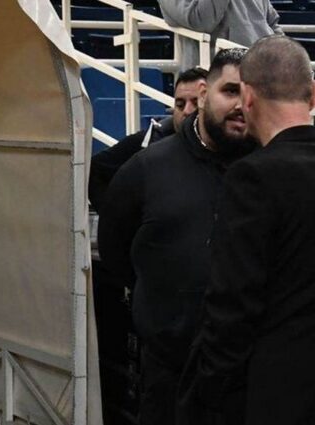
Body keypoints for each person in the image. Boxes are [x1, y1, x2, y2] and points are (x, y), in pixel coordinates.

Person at [97, 48, 255, 425]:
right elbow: (115, 249)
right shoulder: (147, 167)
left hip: (247, 375)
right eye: (229, 91)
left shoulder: (266, 169)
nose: (240, 105)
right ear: (203, 94)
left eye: (250, 96)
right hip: (168, 370)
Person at [177, 35, 315, 425]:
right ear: (312, 95)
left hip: (276, 395)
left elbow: (233, 305)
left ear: (248, 97)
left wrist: (208, 394)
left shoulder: (253, 178)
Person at [89, 67, 208, 212]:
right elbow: (94, 170)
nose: (187, 111)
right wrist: (114, 218)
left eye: (196, 103)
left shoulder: (227, 150)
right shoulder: (145, 143)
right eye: (180, 105)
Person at [160, 0, 281, 69]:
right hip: (219, 75)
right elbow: (200, 20)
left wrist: (282, 53)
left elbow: (271, 21)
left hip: (264, 68)